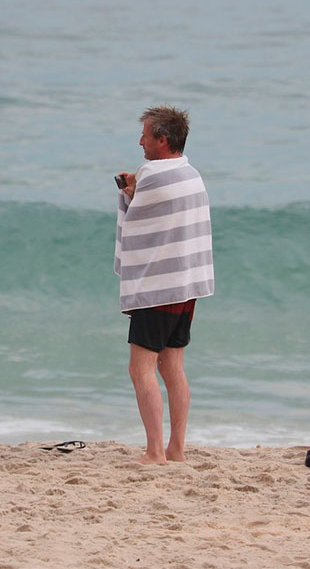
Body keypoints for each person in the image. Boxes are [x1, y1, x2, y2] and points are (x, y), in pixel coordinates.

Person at [114, 106, 214, 465]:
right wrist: (135, 188)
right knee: (172, 367)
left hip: (157, 285)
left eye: (145, 135)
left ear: (163, 139)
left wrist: (129, 190)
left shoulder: (152, 173)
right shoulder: (191, 174)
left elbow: (136, 212)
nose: (140, 141)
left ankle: (155, 451)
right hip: (186, 284)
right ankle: (177, 449)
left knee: (140, 368)